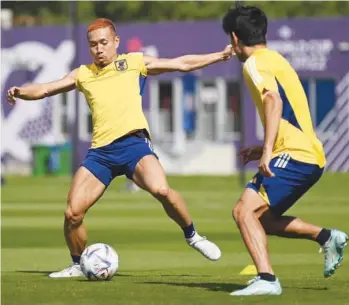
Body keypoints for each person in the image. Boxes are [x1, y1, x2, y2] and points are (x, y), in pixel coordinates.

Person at [6, 18, 233, 278]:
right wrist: (21, 91)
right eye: (93, 45)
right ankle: (78, 264)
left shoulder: (134, 63)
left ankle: (193, 236)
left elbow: (181, 63)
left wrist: (219, 56)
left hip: (133, 144)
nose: (99, 49)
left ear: (116, 42)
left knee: (161, 189)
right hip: (101, 153)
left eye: (104, 42)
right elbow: (46, 88)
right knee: (73, 213)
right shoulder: (84, 73)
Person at [222, 5, 349, 296]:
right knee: (262, 219)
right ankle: (327, 237)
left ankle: (267, 279)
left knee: (243, 212)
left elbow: (273, 101)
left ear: (234, 37)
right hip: (306, 155)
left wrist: (267, 151)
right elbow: (287, 115)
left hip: (296, 155)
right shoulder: (275, 58)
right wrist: (263, 148)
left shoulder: (253, 64)